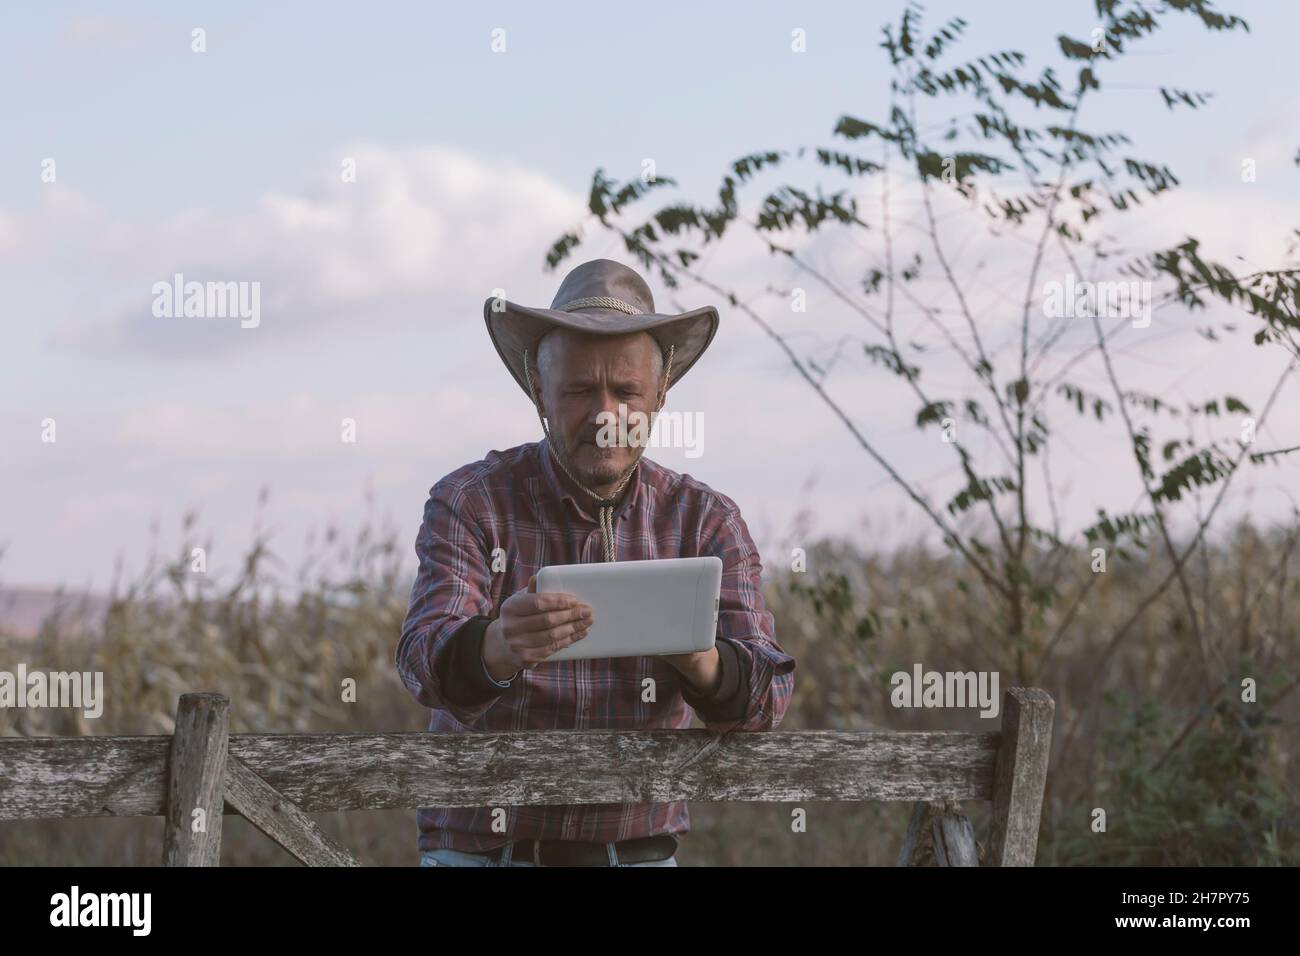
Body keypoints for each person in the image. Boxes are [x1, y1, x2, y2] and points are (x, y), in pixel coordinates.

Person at [397, 258, 796, 867]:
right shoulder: (472, 501)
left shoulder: (706, 520)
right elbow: (424, 661)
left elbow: (768, 696)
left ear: (660, 394)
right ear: (540, 392)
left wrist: (702, 662)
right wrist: (499, 645)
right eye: (581, 390)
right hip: (483, 854)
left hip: (637, 854)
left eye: (626, 391)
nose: (606, 414)